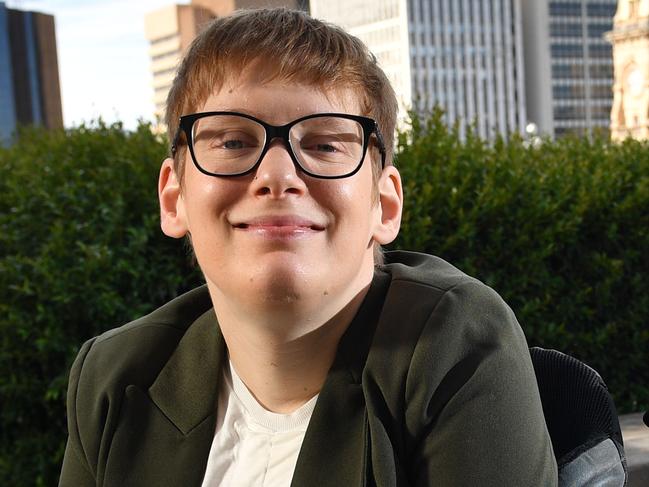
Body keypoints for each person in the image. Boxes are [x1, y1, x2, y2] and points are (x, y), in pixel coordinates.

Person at [59, 8, 557, 487]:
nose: (277, 176)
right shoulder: (115, 376)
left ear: (384, 205)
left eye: (323, 145)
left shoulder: (455, 344)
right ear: (174, 199)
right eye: (233, 142)